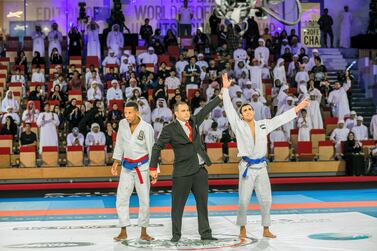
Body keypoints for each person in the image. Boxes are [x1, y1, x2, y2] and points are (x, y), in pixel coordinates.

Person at [221, 73, 309, 240]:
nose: (247, 111)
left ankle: (266, 228)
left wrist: (297, 109)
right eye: (244, 110)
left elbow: (280, 119)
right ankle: (242, 229)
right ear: (241, 114)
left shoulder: (263, 124)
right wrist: (225, 90)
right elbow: (229, 109)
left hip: (261, 167)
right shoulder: (238, 125)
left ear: (254, 111)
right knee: (243, 201)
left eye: (249, 109)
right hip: (246, 167)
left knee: (266, 199)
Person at [149, 93, 222, 242]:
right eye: (183, 111)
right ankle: (176, 236)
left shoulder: (194, 121)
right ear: (176, 114)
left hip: (200, 171)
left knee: (203, 205)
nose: (187, 113)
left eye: (188, 110)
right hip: (182, 173)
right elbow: (157, 147)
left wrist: (221, 95)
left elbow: (206, 109)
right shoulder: (169, 129)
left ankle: (206, 234)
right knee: (177, 207)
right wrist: (152, 168)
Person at [111, 101, 155, 241]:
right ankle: (123, 230)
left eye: (129, 113)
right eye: (125, 113)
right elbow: (119, 142)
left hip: (142, 167)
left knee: (144, 200)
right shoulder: (122, 124)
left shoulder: (146, 128)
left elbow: (152, 149)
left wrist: (154, 169)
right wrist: (116, 161)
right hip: (126, 167)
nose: (127, 115)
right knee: (121, 198)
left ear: (137, 112)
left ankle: (144, 231)